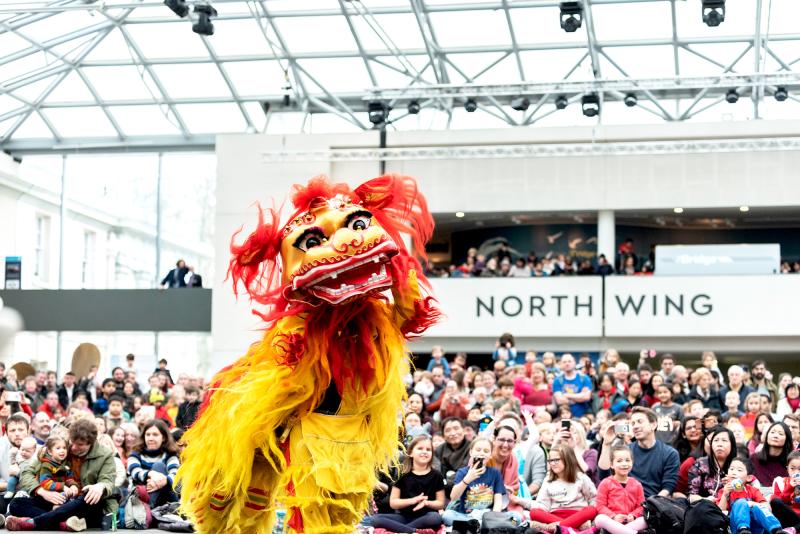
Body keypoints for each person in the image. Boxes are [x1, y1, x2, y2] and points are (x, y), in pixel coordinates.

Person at [6, 419, 117, 531]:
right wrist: (42, 491)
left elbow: (108, 481)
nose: (73, 447)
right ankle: (64, 524)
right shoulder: (59, 447)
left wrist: (100, 486)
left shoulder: (105, 455)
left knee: (88, 495)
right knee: (16, 503)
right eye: (72, 442)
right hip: (57, 499)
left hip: (83, 504)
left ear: (91, 443)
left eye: (80, 445)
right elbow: (27, 473)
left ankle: (34, 522)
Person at [598, 407, 679, 498]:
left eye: (640, 422)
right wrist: (606, 444)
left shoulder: (670, 453)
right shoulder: (625, 451)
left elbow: (668, 487)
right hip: (624, 502)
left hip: (654, 504)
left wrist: (651, 504)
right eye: (633, 423)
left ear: (653, 425)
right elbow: (604, 477)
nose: (635, 426)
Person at [370, 435, 444, 534]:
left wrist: (427, 503)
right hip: (404, 517)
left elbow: (440, 503)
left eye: (428, 449)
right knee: (374, 519)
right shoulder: (403, 475)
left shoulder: (436, 475)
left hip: (426, 516)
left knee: (436, 518)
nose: (424, 451)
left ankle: (401, 530)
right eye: (420, 448)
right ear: (411, 453)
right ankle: (412, 531)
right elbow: (393, 503)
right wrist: (412, 500)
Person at [525, 443, 597, 533]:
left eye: (556, 460)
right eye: (550, 460)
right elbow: (543, 505)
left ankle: (554, 528)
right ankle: (571, 527)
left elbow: (593, 499)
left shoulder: (581, 478)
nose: (553, 463)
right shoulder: (548, 480)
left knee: (591, 509)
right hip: (554, 516)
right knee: (534, 512)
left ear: (567, 459)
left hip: (577, 515)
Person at [442, 437, 505, 528]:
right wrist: (467, 479)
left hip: (486, 515)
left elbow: (498, 500)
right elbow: (453, 497)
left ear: (491, 454)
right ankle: (479, 525)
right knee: (447, 516)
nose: (482, 453)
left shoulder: (495, 473)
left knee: (516, 518)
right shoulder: (462, 472)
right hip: (466, 515)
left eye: (486, 451)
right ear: (471, 452)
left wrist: (493, 516)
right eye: (478, 450)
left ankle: (477, 525)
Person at [717, 456, 788, 534]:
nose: (734, 472)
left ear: (749, 478)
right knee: (740, 502)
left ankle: (776, 529)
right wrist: (725, 494)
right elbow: (719, 512)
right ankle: (743, 528)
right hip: (735, 527)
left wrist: (752, 504)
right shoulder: (724, 491)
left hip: (755, 527)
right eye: (731, 469)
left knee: (757, 508)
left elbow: (767, 508)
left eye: (739, 470)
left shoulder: (753, 490)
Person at [593, 445, 647, 534]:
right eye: (619, 461)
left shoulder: (637, 485)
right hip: (611, 521)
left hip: (630, 523)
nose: (624, 464)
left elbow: (641, 506)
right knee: (600, 519)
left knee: (645, 520)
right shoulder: (605, 483)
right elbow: (600, 506)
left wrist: (633, 515)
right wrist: (613, 516)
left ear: (632, 462)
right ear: (611, 465)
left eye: (627, 460)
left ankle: (618, 531)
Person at [127, 419, 180, 507]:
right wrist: (151, 474)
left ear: (163, 438)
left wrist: (165, 480)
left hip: (167, 498)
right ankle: (149, 508)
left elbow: (175, 474)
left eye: (155, 435)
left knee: (159, 466)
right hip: (142, 497)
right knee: (157, 469)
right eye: (148, 434)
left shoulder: (170, 455)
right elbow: (135, 472)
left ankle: (149, 509)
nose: (151, 438)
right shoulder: (135, 454)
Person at [687, 426, 737, 501]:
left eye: (724, 440)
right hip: (704, 508)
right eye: (716, 440)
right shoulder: (700, 464)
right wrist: (706, 500)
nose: (719, 444)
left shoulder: (738, 466)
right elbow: (691, 497)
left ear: (732, 445)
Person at [434, 417, 471, 496]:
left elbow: (465, 471)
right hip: (442, 491)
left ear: (464, 430)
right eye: (448, 430)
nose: (453, 433)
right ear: (443, 435)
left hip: (466, 489)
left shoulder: (472, 448)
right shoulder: (439, 450)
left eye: (456, 428)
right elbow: (436, 472)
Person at [751, 422, 792, 486]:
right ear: (767, 436)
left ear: (787, 439)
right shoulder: (754, 459)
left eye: (780, 434)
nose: (775, 436)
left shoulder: (791, 463)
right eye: (772, 432)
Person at [553, 354, 592, 418]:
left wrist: (566, 395)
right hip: (564, 417)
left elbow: (586, 397)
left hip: (582, 416)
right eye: (564, 362)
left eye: (569, 361)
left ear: (574, 363)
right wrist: (579, 397)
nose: (567, 364)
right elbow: (559, 400)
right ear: (561, 364)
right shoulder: (557, 380)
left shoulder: (584, 378)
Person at [770, 450, 800, 530]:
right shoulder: (780, 482)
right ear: (787, 469)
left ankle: (793, 529)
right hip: (787, 516)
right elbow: (778, 502)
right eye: (792, 468)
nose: (796, 472)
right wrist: (789, 487)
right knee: (775, 501)